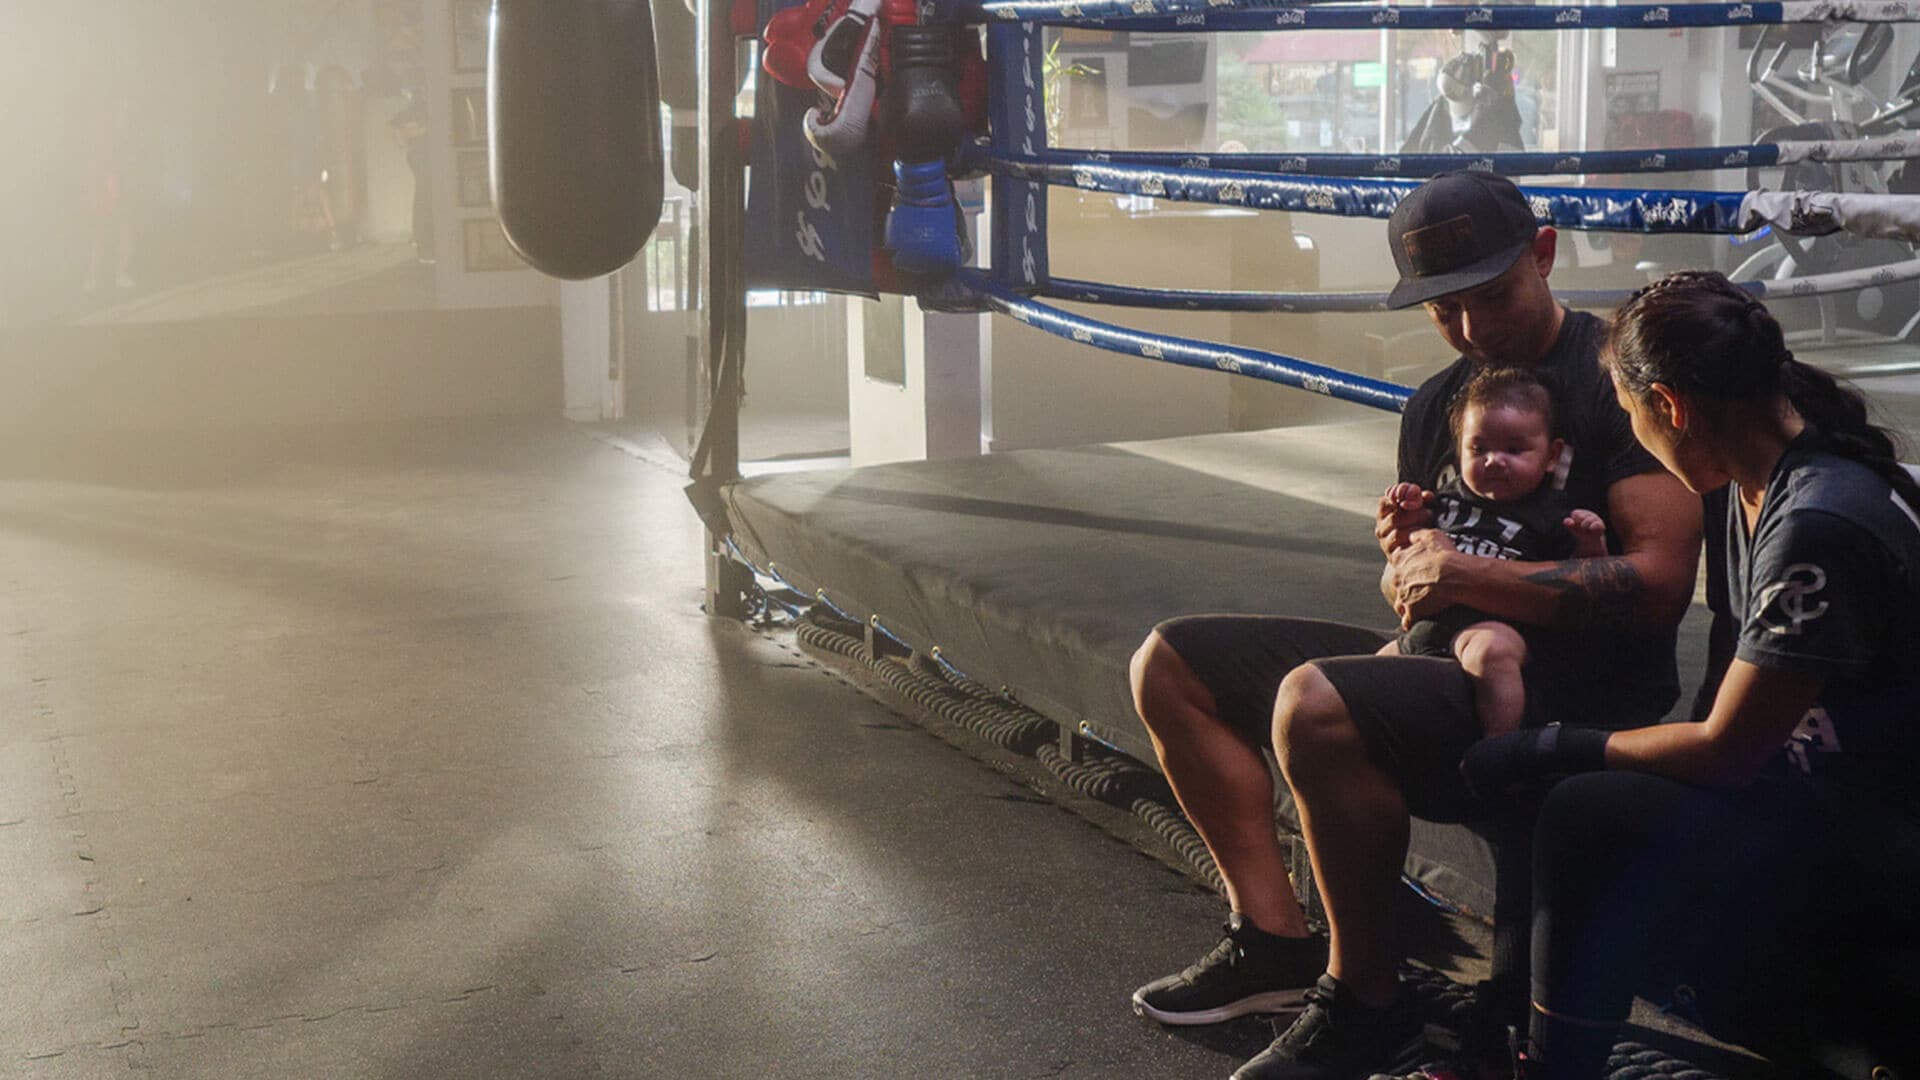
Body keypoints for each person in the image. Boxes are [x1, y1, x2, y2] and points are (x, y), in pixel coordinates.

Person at [1126, 171, 1702, 1080]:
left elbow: (1662, 583)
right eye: (1445, 310)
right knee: (1172, 663)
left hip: (1579, 696)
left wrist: (1465, 573)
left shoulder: (1613, 383)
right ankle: (1276, 944)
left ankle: (1364, 1007)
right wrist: (1407, 556)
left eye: (1492, 297)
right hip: (1451, 661)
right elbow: (1425, 575)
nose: (1472, 329)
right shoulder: (1440, 402)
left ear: (1543, 256)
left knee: (1315, 703)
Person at [1446, 271, 1920, 1079]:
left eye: (1631, 415)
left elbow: (1729, 750)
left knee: (1582, 809)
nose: (1632, 431)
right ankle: (1521, 1036)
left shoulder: (1817, 521)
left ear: (1671, 407)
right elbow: (1727, 700)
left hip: (1883, 852)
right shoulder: (1753, 484)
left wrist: (1551, 745)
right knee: (1601, 817)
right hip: (1828, 807)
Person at [1379, 366, 1609, 737]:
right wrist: (1403, 512)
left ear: (1552, 456)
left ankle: (1498, 749)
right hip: (1427, 630)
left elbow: (1586, 584)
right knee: (1361, 674)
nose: (1493, 460)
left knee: (1491, 655)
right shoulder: (1446, 500)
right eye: (1479, 448)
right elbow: (1409, 551)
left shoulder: (1553, 515)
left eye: (1514, 450)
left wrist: (1590, 542)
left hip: (1500, 628)